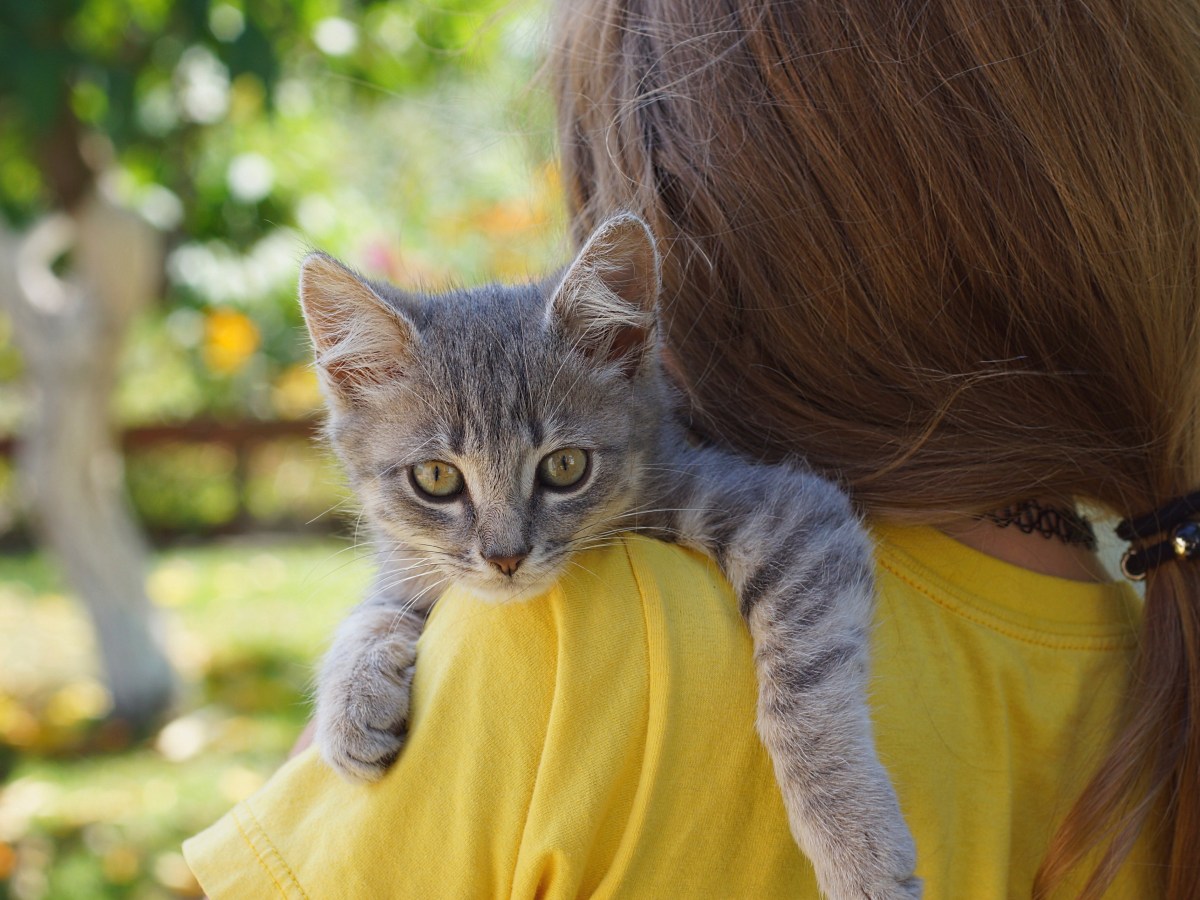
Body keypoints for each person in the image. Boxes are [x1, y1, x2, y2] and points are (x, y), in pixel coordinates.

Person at [185, 1, 1197, 897]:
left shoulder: (562, 653)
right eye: (441, 483)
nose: (503, 550)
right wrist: (377, 628)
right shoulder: (1148, 681)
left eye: (561, 473)